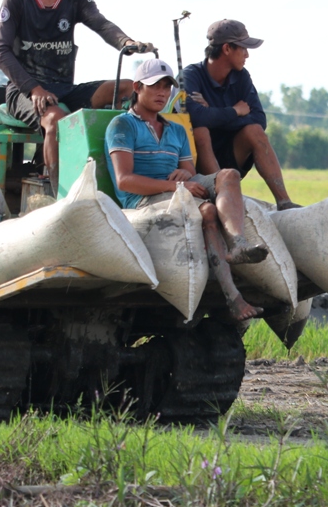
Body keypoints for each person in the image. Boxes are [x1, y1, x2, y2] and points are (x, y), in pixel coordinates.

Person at [105, 58, 267, 321]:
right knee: (207, 212)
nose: (161, 93)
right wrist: (177, 185)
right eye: (154, 86)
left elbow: (190, 172)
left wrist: (185, 175)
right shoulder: (122, 125)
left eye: (166, 87)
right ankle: (233, 297)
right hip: (144, 198)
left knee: (228, 175)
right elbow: (125, 181)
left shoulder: (176, 130)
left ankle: (238, 243)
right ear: (137, 87)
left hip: (176, 189)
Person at [0, 0, 153, 193]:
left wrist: (126, 42)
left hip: (64, 87)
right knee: (57, 120)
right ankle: (60, 194)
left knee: (128, 87)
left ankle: (128, 177)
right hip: (25, 90)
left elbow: (102, 24)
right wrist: (33, 89)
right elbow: (0, 52)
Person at [182, 19, 299, 211]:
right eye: (243, 48)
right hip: (199, 162)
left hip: (232, 154)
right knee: (201, 130)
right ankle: (219, 195)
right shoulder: (191, 75)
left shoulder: (242, 76)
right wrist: (235, 111)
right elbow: (197, 118)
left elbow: (259, 120)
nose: (247, 55)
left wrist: (212, 111)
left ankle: (285, 203)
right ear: (227, 49)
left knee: (254, 130)